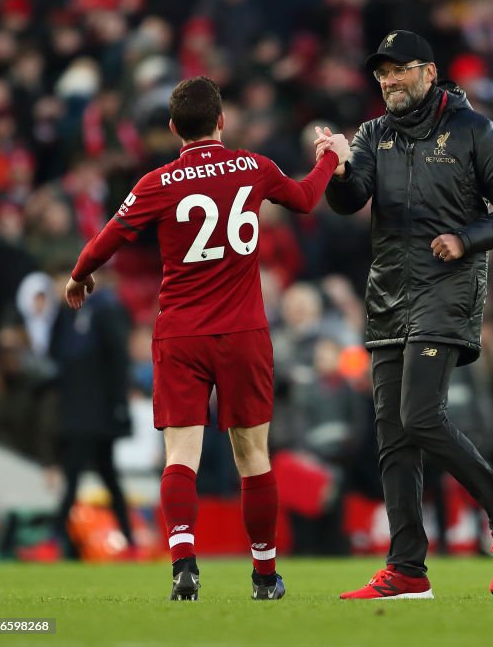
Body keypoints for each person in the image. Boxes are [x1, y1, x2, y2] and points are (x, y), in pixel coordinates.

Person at [64, 76, 351, 601]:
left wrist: (80, 275)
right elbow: (308, 199)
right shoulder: (255, 167)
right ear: (222, 120)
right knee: (253, 456)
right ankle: (264, 576)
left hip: (181, 333)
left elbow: (106, 239)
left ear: (174, 128)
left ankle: (184, 566)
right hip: (243, 331)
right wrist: (331, 155)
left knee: (180, 454)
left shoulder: (158, 182)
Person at [318, 30, 493, 599]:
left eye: (398, 70)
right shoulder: (374, 134)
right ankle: (407, 568)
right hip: (388, 292)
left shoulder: (474, 130)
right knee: (393, 436)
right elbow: (351, 199)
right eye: (381, 73)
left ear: (428, 72)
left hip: (447, 288)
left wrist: (466, 240)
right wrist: (340, 170)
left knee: (419, 416)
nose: (388, 81)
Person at [49, 265, 136, 559]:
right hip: (80, 412)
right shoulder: (68, 315)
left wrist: (118, 405)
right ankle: (130, 539)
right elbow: (56, 358)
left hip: (94, 413)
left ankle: (54, 540)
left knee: (74, 475)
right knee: (108, 476)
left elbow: (118, 359)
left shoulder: (102, 311)